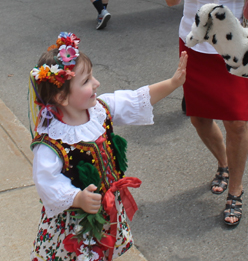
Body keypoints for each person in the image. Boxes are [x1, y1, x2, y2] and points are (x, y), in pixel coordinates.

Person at [29, 32, 187, 260]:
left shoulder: (100, 109)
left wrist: (173, 82)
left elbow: (135, 99)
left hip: (107, 207)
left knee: (104, 251)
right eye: (86, 81)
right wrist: (77, 198)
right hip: (75, 223)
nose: (96, 83)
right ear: (62, 98)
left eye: (92, 76)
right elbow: (46, 181)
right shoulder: (52, 141)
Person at [165, 0, 248, 227]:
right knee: (199, 118)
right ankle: (223, 162)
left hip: (232, 50)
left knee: (237, 122)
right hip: (194, 46)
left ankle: (236, 190)